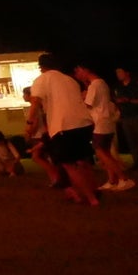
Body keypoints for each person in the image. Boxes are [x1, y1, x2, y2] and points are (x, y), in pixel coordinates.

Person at [29, 54, 103, 207]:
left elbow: (35, 102)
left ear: (41, 67)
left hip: (64, 125)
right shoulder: (70, 80)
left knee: (69, 165)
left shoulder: (42, 79)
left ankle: (91, 199)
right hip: (84, 122)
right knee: (83, 160)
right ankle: (94, 190)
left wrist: (29, 123)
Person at [73, 64, 133, 192]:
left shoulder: (95, 85)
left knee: (101, 151)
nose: (77, 75)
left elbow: (88, 104)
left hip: (101, 122)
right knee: (105, 152)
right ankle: (112, 180)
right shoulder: (102, 83)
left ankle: (124, 178)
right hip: (106, 121)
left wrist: (82, 97)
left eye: (78, 71)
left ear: (85, 69)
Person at [112, 67, 138, 171]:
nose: (118, 74)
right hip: (125, 116)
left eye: (120, 72)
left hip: (136, 115)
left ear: (127, 73)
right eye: (117, 73)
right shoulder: (119, 88)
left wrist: (129, 100)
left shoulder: (135, 86)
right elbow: (116, 100)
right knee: (131, 140)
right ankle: (136, 162)